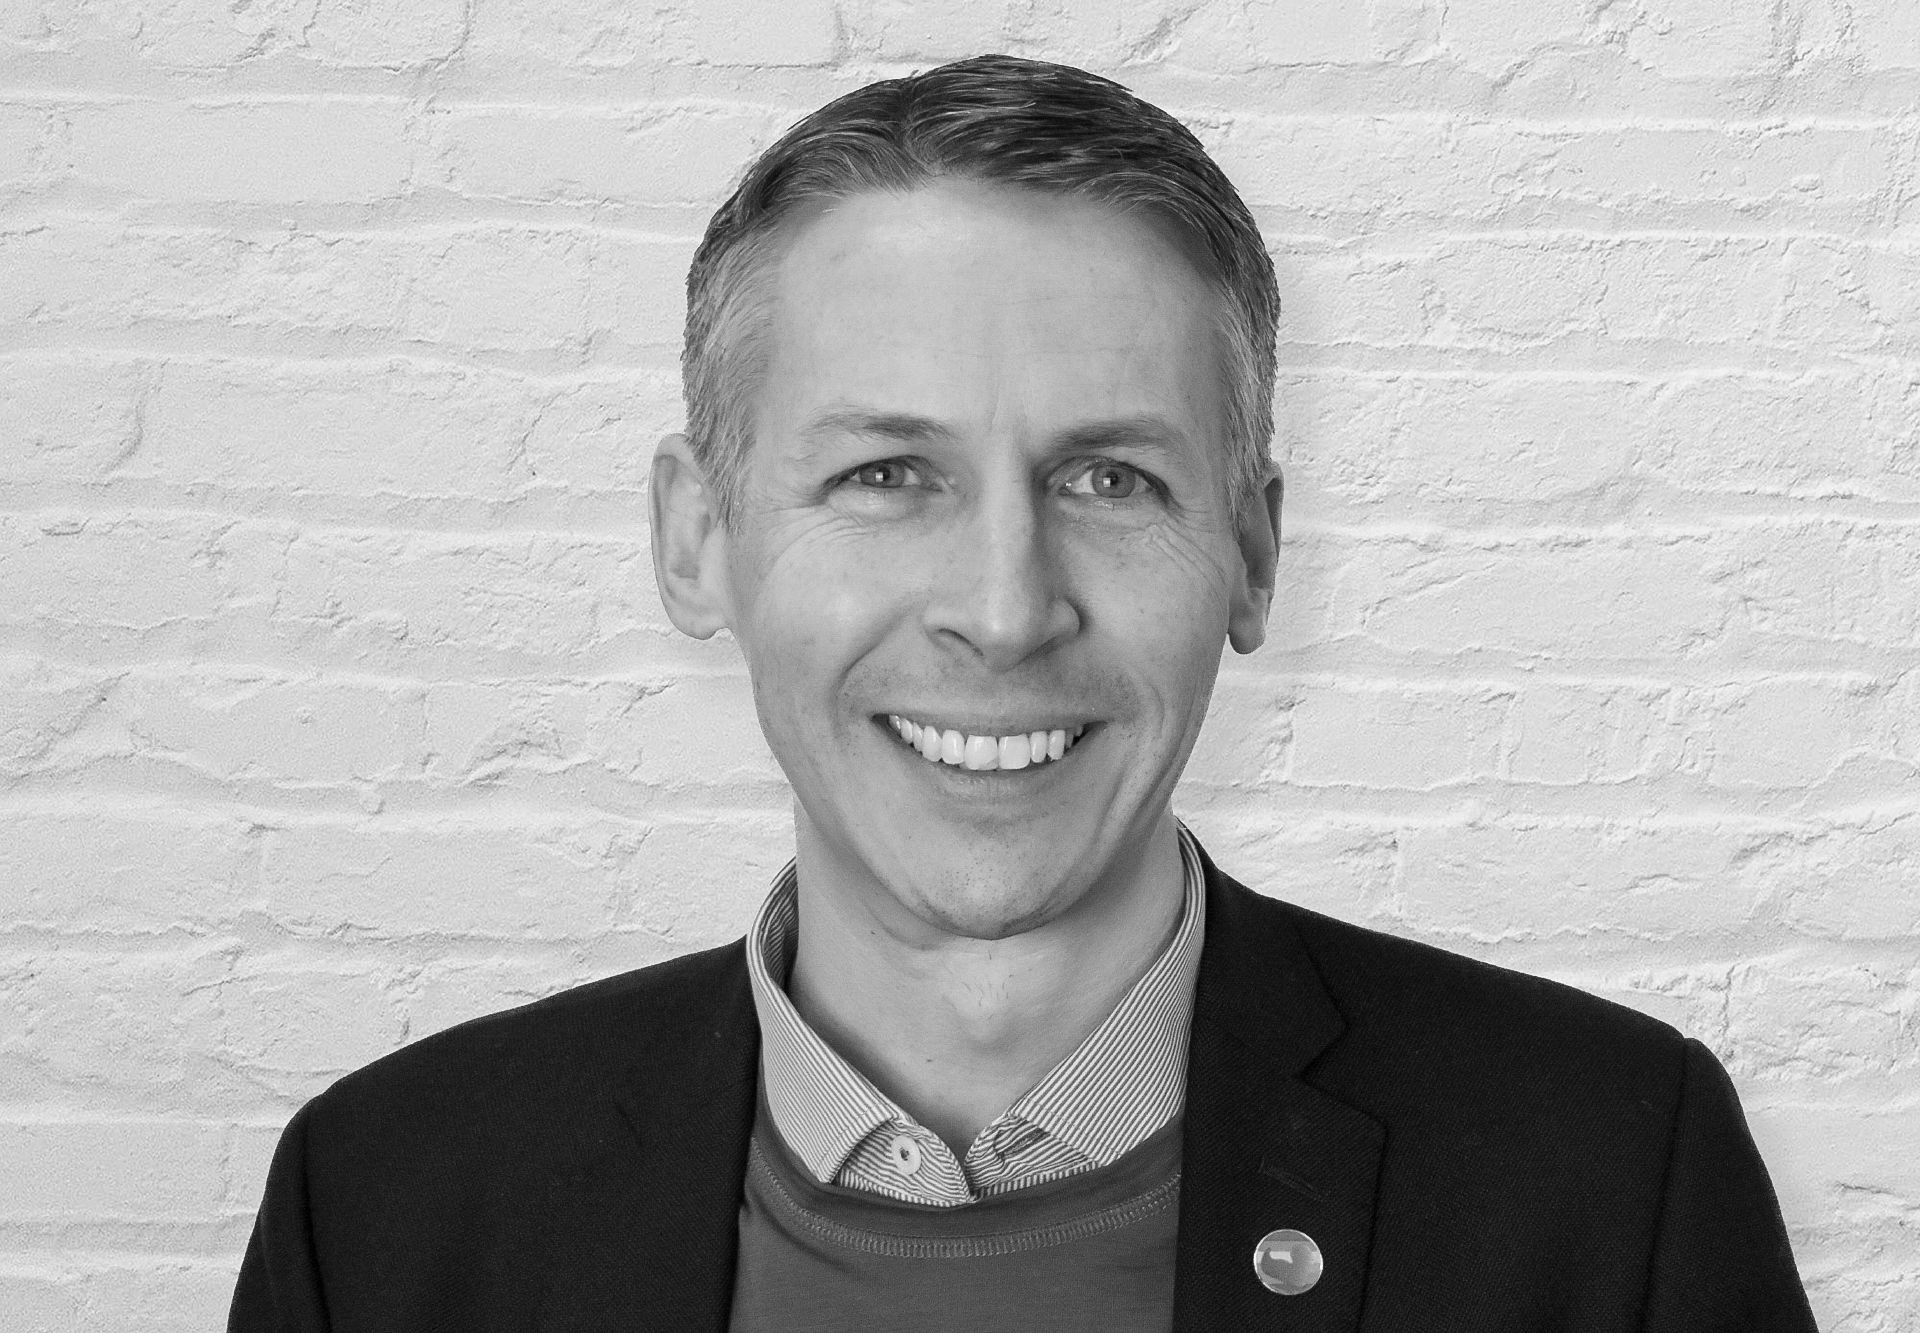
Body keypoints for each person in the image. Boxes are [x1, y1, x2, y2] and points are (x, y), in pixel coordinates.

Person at [228, 55, 1817, 1332]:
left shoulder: (1611, 1182)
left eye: (1111, 478)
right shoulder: (387, 1211)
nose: (1003, 610)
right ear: (697, 541)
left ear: (1255, 553)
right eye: (886, 474)